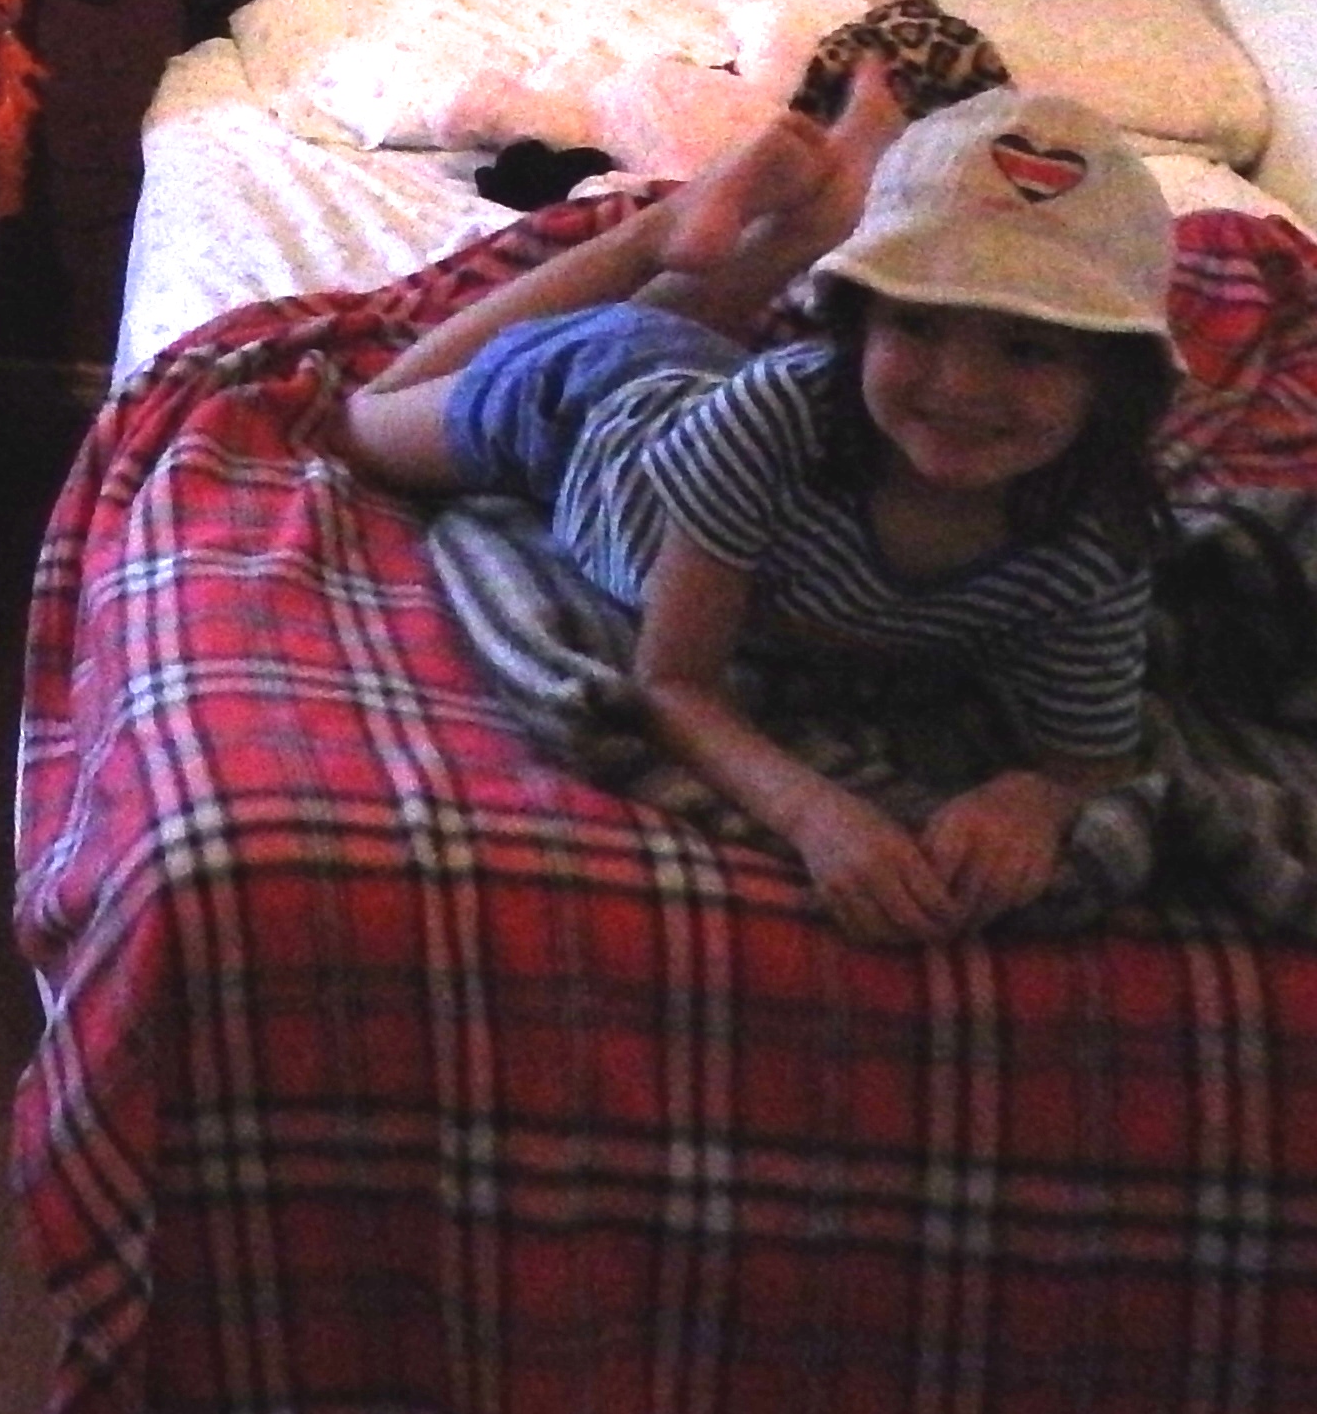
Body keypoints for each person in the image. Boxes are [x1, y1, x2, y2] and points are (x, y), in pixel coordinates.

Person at [339, 73, 1182, 946]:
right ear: (861, 326)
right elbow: (674, 682)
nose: (962, 387)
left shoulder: (1100, 522)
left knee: (682, 336)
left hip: (703, 388)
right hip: (592, 417)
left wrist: (1029, 800)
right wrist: (818, 817)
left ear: (1109, 383)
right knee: (364, 423)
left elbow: (1087, 756)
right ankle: (657, 233)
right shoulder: (782, 415)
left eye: (1028, 348)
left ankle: (811, 212)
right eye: (918, 329)